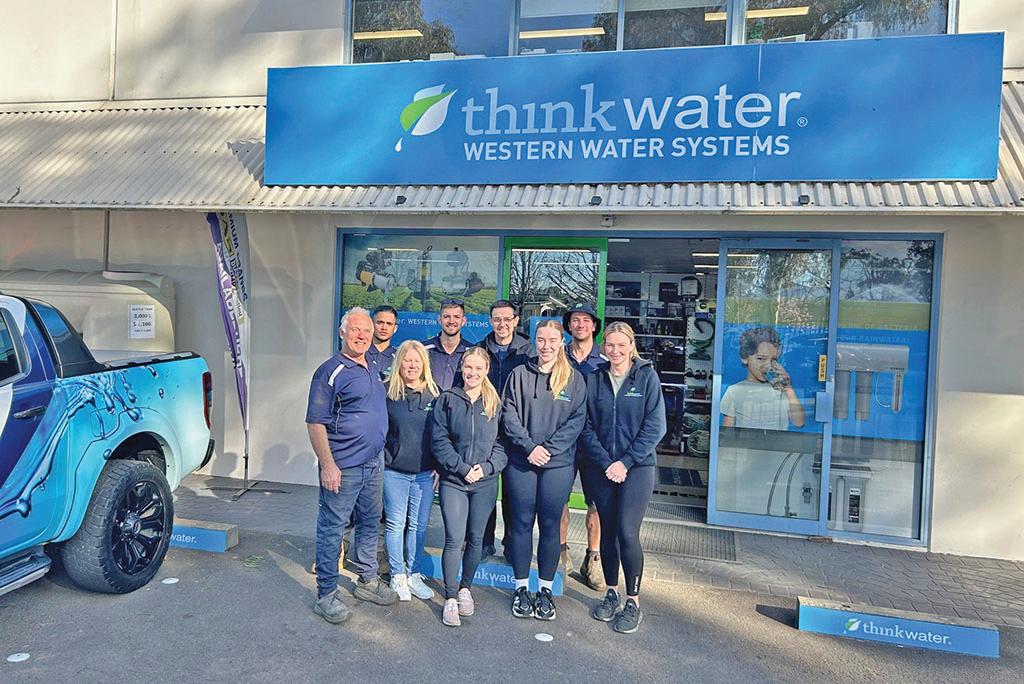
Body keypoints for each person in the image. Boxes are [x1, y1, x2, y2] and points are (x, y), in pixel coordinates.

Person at [306, 307, 398, 625]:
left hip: (374, 463)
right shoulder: (329, 371)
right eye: (356, 330)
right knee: (332, 528)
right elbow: (315, 422)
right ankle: (326, 595)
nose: (362, 335)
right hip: (343, 466)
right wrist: (327, 465)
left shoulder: (372, 365)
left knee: (370, 523)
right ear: (342, 333)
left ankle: (367, 581)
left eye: (366, 331)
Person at [580, 322, 666, 634]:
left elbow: (655, 427)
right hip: (602, 468)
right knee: (608, 533)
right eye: (610, 345)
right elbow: (585, 425)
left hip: (637, 468)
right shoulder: (594, 379)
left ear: (631, 346)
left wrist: (625, 462)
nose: (615, 351)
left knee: (628, 533)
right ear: (603, 347)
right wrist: (607, 462)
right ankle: (611, 593)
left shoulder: (647, 377)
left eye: (621, 345)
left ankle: (633, 601)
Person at [502, 320, 587, 621]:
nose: (546, 346)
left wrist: (548, 449)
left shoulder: (573, 379)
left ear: (561, 342)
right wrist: (529, 447)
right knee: (521, 524)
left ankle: (546, 590)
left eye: (552, 340)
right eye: (541, 339)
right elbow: (508, 414)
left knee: (550, 526)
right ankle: (521, 588)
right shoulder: (519, 374)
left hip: (558, 464)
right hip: (522, 462)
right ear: (534, 341)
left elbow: (577, 420)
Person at [431, 347, 507, 627]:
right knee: (454, 538)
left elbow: (502, 444)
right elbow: (439, 441)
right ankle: (450, 597)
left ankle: (465, 589)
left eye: (478, 368)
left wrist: (486, 468)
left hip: (484, 483)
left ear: (486, 370)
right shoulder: (447, 400)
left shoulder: (495, 403)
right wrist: (462, 468)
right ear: (461, 368)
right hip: (454, 481)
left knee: (476, 538)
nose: (473, 373)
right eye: (468, 367)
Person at [383, 340, 440, 603]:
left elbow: (441, 435)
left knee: (418, 525)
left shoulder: (435, 396)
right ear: (399, 363)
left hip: (424, 474)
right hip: (393, 471)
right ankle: (397, 575)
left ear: (424, 365)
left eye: (417, 361)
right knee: (396, 523)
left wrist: (440, 466)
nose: (412, 365)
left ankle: (413, 573)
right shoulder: (387, 393)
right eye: (407, 360)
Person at [478, 300, 534, 559]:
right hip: (486, 430)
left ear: (516, 320)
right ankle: (484, 542)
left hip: (517, 430)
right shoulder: (480, 349)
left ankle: (511, 544)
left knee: (514, 493)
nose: (502, 324)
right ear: (491, 321)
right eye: (497, 319)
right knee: (486, 490)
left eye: (507, 319)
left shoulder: (529, 351)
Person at [561, 302, 606, 590]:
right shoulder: (558, 355)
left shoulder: (606, 358)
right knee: (558, 500)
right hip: (563, 440)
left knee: (596, 503)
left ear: (594, 326)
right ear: (569, 325)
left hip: (595, 441)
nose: (580, 325)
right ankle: (560, 552)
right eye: (575, 320)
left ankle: (593, 559)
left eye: (585, 320)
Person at [720, 326, 805, 429]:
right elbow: (727, 427)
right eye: (760, 358)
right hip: (746, 439)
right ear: (744, 358)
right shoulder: (734, 390)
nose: (768, 365)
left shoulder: (781, 389)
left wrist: (788, 387)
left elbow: (799, 422)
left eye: (773, 360)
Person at [423, 298, 471, 391]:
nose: (451, 321)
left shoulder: (471, 352)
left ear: (463, 321)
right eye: (446, 317)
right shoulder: (423, 350)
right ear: (439, 320)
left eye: (456, 317)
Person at [366, 304, 399, 381]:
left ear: (395, 328)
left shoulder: (399, 357)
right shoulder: (360, 354)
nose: (384, 328)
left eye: (389, 324)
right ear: (371, 325)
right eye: (380, 323)